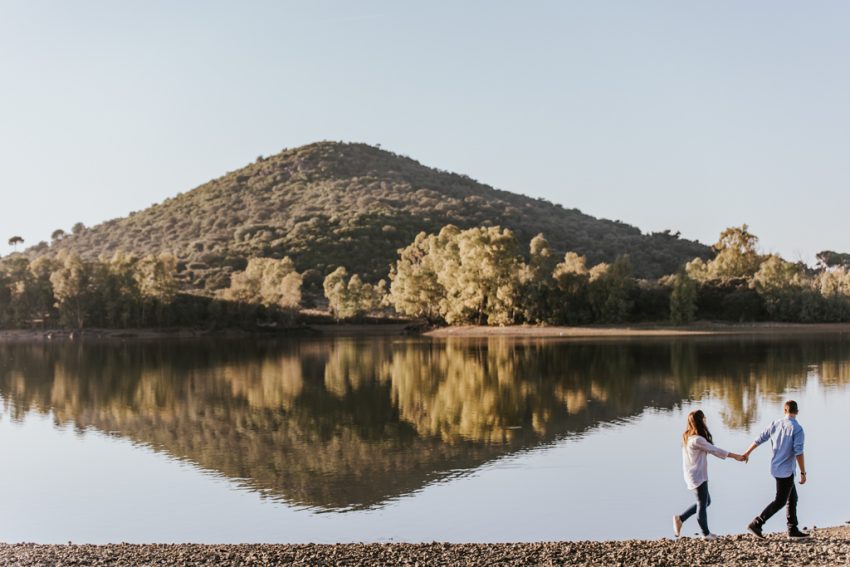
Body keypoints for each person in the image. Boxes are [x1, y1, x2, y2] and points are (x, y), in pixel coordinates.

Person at [674, 409, 746, 539]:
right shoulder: (697, 440)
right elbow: (715, 450)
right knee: (702, 503)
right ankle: (705, 533)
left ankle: (681, 518)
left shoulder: (688, 437)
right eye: (703, 419)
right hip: (697, 475)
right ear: (700, 421)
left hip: (691, 474)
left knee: (706, 501)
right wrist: (736, 456)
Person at [744, 400, 809, 539]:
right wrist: (803, 472)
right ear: (797, 412)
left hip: (775, 467)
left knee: (792, 497)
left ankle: (792, 529)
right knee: (780, 501)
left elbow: (760, 439)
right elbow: (798, 452)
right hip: (786, 471)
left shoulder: (775, 424)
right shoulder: (797, 429)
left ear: (784, 410)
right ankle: (757, 523)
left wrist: (747, 453)